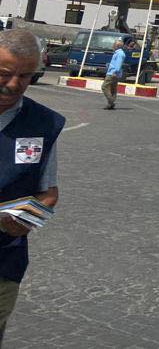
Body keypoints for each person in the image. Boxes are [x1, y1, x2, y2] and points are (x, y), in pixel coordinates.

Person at [0, 30, 63, 344]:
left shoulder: (43, 124)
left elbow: (48, 194)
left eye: (25, 76)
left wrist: (25, 221)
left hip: (3, 260)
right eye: (4, 73)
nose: (13, 84)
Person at [102, 38, 132, 110]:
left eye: (114, 44)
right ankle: (110, 104)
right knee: (113, 88)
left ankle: (111, 101)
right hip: (114, 72)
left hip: (113, 73)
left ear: (117, 46)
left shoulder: (119, 53)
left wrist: (115, 72)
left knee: (104, 87)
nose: (112, 46)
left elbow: (118, 64)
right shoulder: (118, 53)